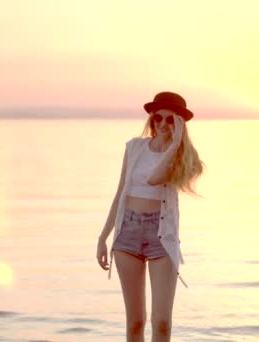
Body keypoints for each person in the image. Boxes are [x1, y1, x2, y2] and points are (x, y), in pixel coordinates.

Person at [96, 91, 205, 341]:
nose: (163, 124)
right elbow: (120, 193)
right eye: (158, 118)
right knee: (135, 322)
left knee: (162, 323)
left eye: (171, 120)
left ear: (180, 123)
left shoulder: (184, 157)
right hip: (127, 233)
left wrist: (176, 144)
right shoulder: (134, 147)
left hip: (161, 236)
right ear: (151, 119)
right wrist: (103, 237)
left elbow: (153, 178)